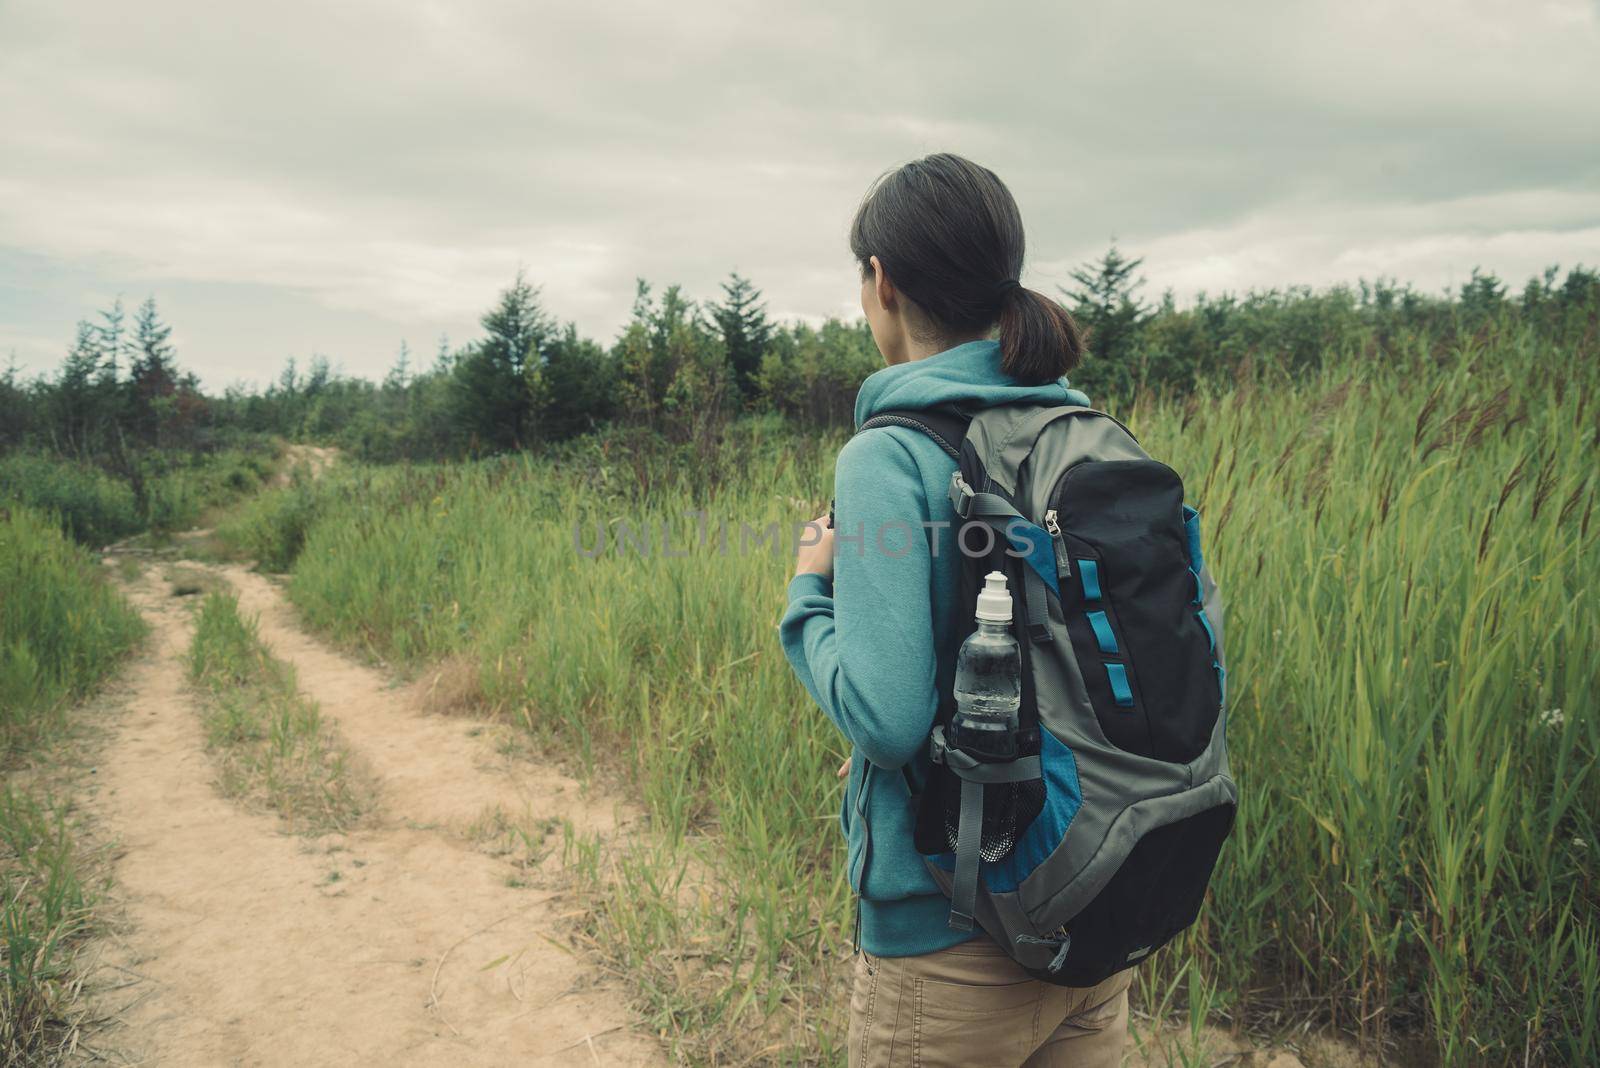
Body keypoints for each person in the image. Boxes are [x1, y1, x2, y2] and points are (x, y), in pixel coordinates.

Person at [779, 153, 1131, 1067]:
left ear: (880, 282)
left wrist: (807, 596)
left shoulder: (887, 457)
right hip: (1092, 918)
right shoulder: (1082, 432)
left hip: (949, 953)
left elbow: (888, 719)